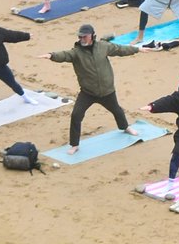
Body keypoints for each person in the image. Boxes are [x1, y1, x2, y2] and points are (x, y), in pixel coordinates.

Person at [41, 23, 140, 154]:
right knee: (76, 115)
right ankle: (74, 145)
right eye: (80, 37)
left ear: (92, 36)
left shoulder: (103, 46)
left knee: (117, 110)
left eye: (84, 37)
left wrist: (137, 49)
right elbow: (64, 55)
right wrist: (51, 55)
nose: (82, 39)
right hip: (88, 93)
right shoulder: (76, 52)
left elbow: (120, 50)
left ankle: (125, 127)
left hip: (107, 91)